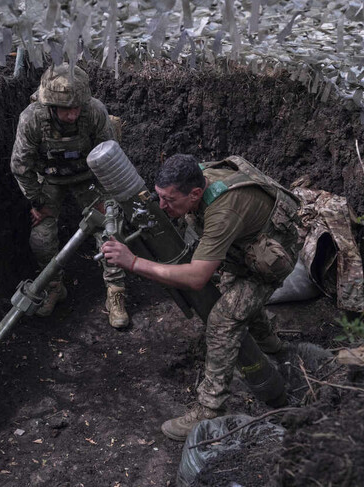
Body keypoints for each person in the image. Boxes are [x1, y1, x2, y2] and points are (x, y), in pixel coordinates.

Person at [100, 154, 303, 440]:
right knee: (237, 295)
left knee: (223, 318)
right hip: (243, 247)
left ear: (196, 193)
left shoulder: (223, 212)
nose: (162, 206)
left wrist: (133, 263)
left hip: (270, 256)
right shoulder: (198, 176)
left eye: (169, 200)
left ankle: (210, 409)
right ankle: (272, 346)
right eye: (159, 197)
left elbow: (197, 278)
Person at [10, 63, 128, 328]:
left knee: (111, 227)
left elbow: (110, 156)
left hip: (88, 178)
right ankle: (53, 286)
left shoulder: (95, 112)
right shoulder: (31, 119)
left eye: (77, 108)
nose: (73, 116)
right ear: (50, 106)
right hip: (50, 181)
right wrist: (38, 202)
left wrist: (105, 197)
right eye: (66, 109)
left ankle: (116, 292)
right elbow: (20, 167)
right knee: (40, 237)